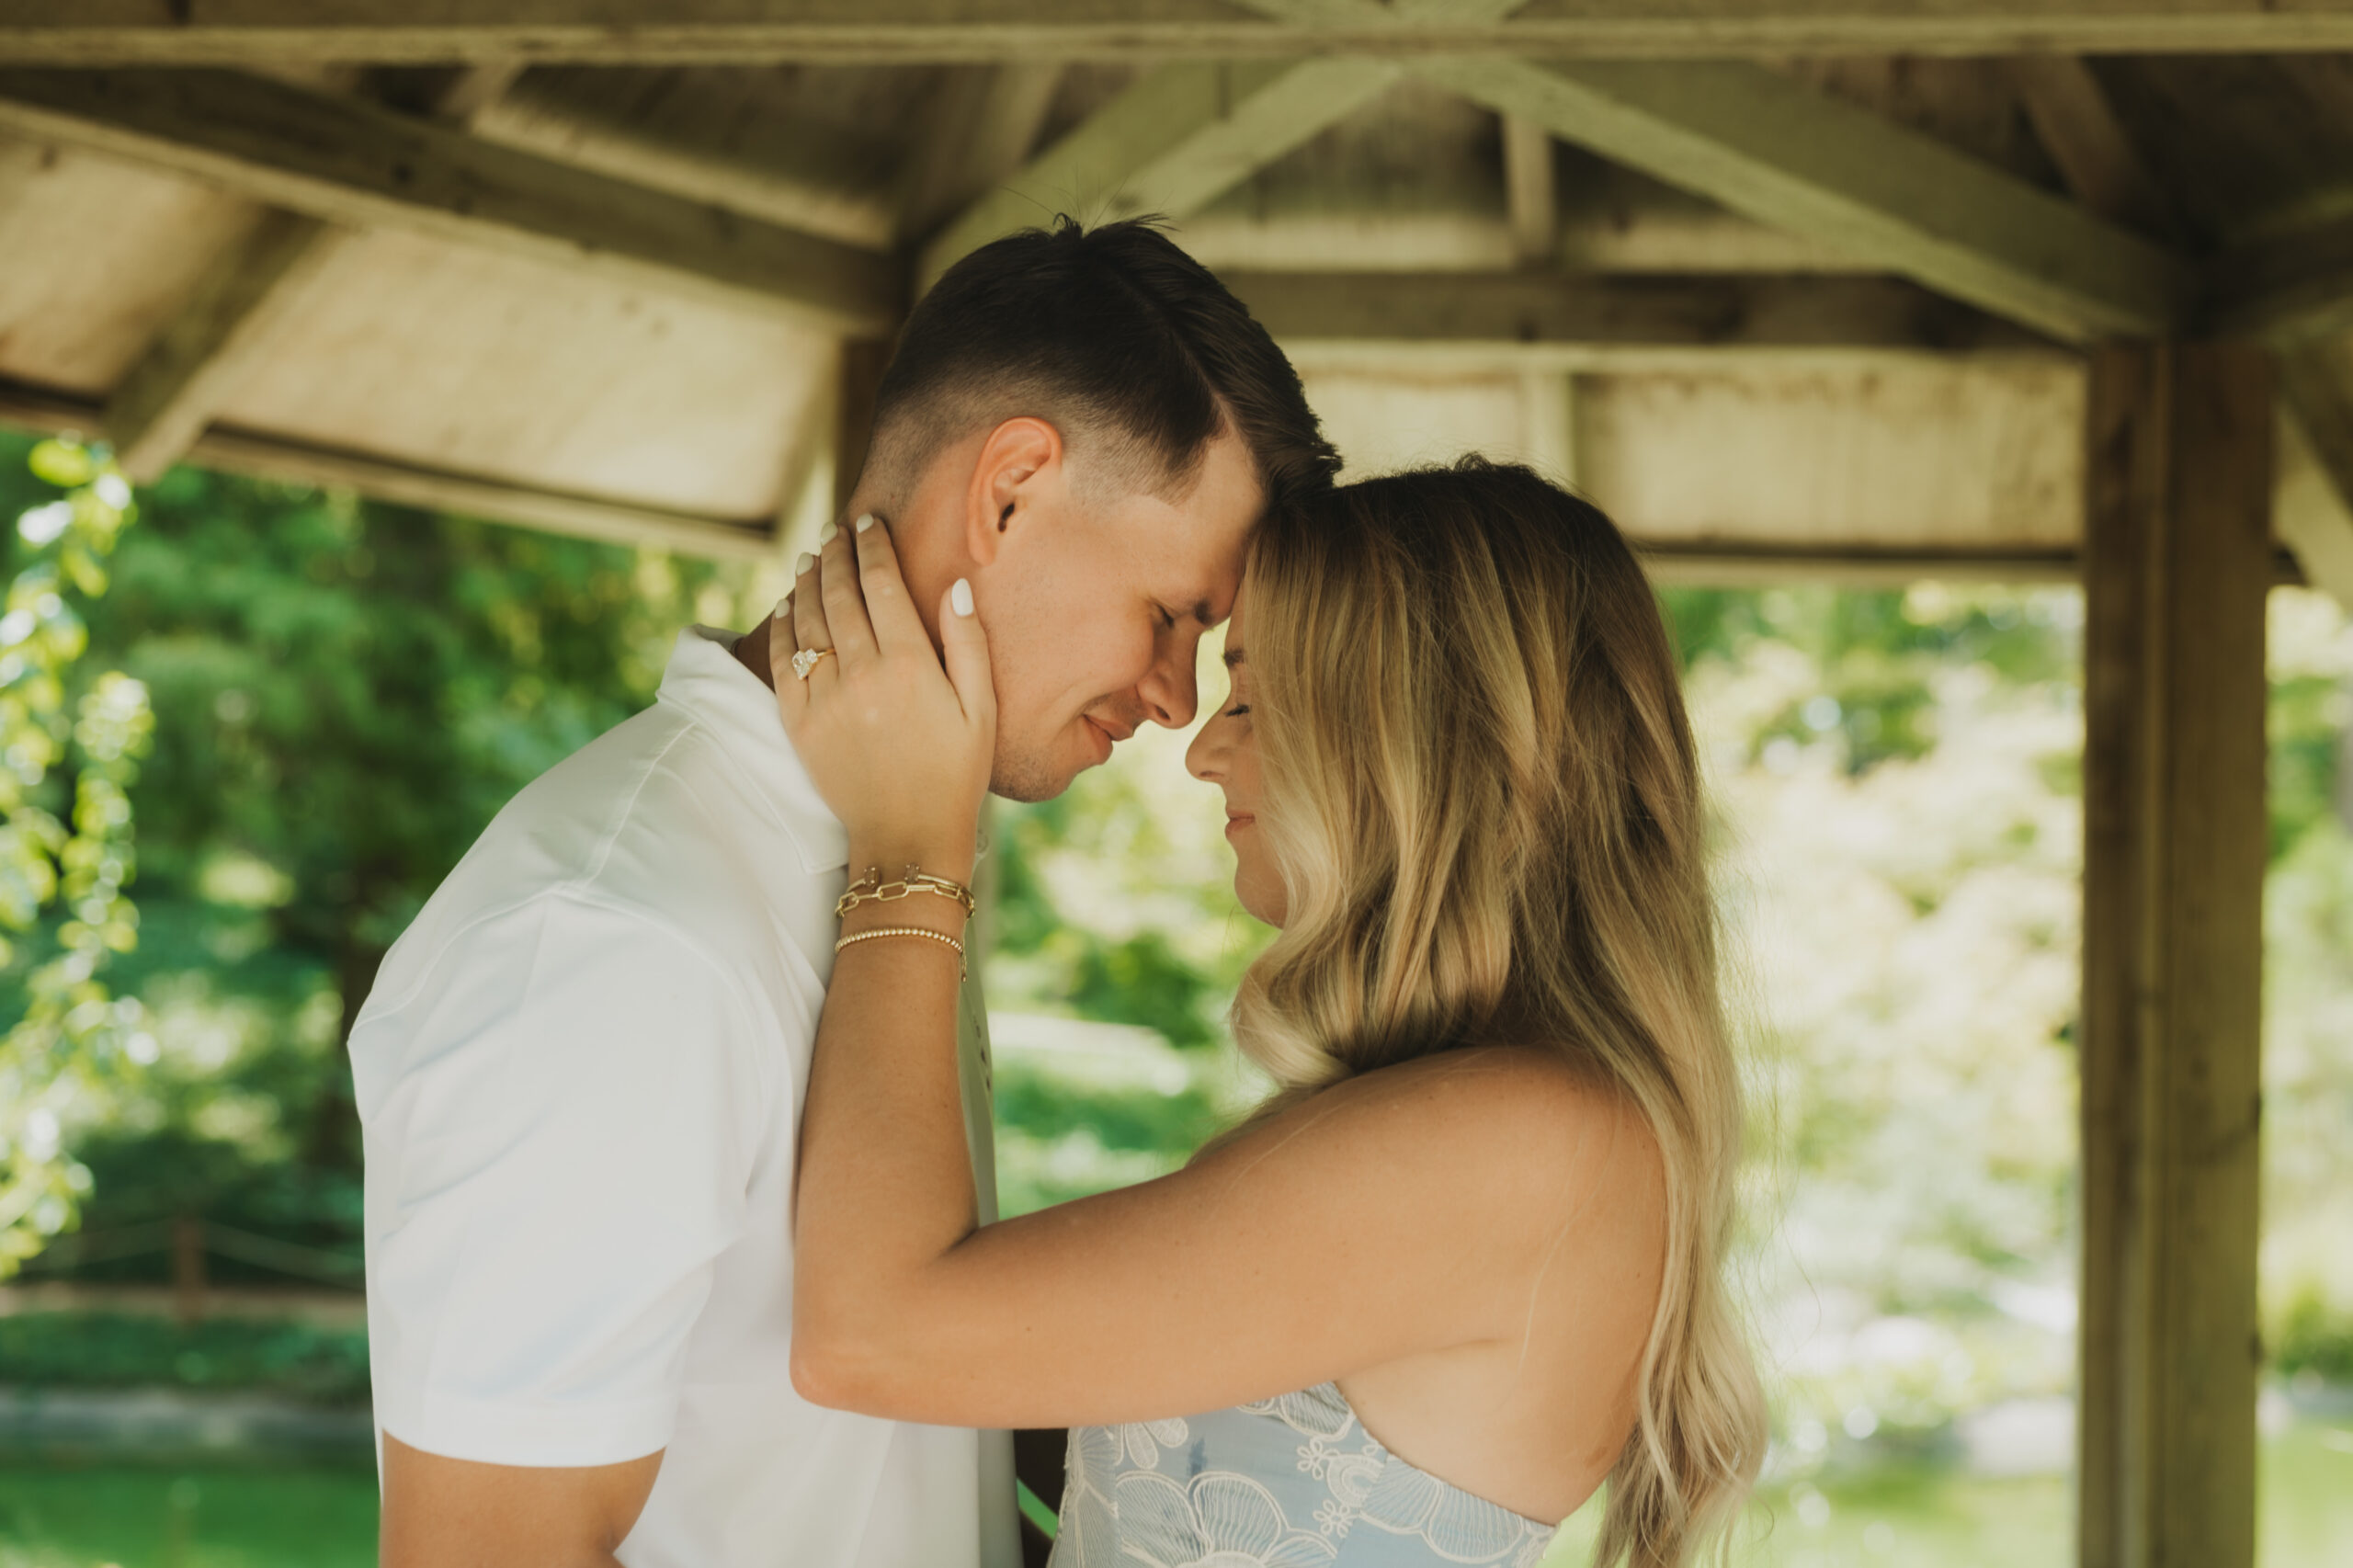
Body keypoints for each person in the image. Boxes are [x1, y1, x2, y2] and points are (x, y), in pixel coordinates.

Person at [351, 218, 1338, 1568]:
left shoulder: (892, 854)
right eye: (1169, 611)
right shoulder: (615, 933)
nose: (1177, 700)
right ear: (1010, 491)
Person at [770, 459, 1767, 1567]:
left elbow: (870, 1334)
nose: (1202, 747)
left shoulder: (1532, 1140)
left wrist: (910, 849)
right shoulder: (1501, 1121)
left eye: (1251, 692)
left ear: (1408, 728)